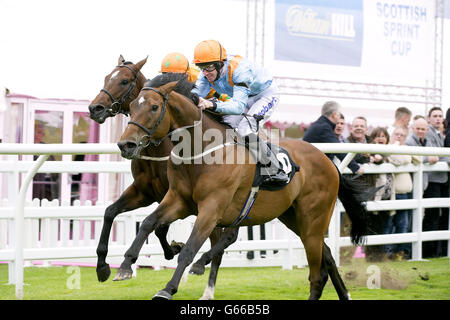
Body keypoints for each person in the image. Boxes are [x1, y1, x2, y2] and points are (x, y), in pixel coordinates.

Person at [191, 39, 288, 184]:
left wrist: (212, 104)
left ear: (220, 64)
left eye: (209, 67)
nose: (205, 73)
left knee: (244, 129)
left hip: (266, 95)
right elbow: (195, 95)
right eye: (201, 67)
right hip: (245, 97)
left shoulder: (239, 70)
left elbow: (238, 107)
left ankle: (275, 169)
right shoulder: (205, 74)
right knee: (226, 124)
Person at [385, 127, 422, 260]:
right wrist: (406, 156)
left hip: (405, 194)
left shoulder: (406, 148)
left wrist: (405, 154)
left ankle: (399, 253)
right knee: (388, 224)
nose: (399, 137)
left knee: (403, 225)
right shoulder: (388, 148)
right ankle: (385, 253)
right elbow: (397, 160)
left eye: (402, 135)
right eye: (396, 134)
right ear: (392, 135)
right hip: (391, 195)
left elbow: (419, 159)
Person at [303, 101, 363, 175]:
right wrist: (356, 168)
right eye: (339, 114)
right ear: (334, 115)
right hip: (312, 171)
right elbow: (338, 149)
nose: (339, 117)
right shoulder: (324, 127)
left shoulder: (319, 124)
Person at [422, 107, 450, 258]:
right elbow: (435, 155)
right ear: (429, 118)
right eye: (435, 116)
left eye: (440, 116)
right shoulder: (430, 133)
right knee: (431, 216)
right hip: (433, 180)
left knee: (435, 217)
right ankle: (428, 251)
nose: (438, 119)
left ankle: (434, 251)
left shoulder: (439, 134)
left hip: (440, 180)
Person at [364, 127, 392, 262]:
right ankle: (371, 256)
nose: (381, 138)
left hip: (387, 196)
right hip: (374, 196)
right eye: (378, 136)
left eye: (383, 136)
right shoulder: (370, 152)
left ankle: (381, 255)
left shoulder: (391, 152)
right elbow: (375, 160)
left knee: (384, 227)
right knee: (373, 227)